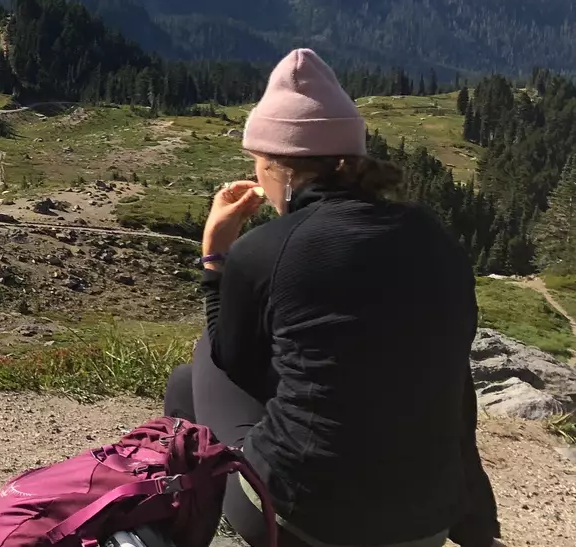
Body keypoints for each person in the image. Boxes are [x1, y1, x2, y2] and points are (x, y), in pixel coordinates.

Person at [163, 49, 503, 547]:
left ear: (277, 166)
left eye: (258, 163)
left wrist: (217, 259)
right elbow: (457, 388)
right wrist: (477, 525)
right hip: (426, 524)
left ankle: (181, 514)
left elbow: (236, 361)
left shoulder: (264, 251)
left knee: (196, 370)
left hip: (303, 522)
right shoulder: (433, 237)